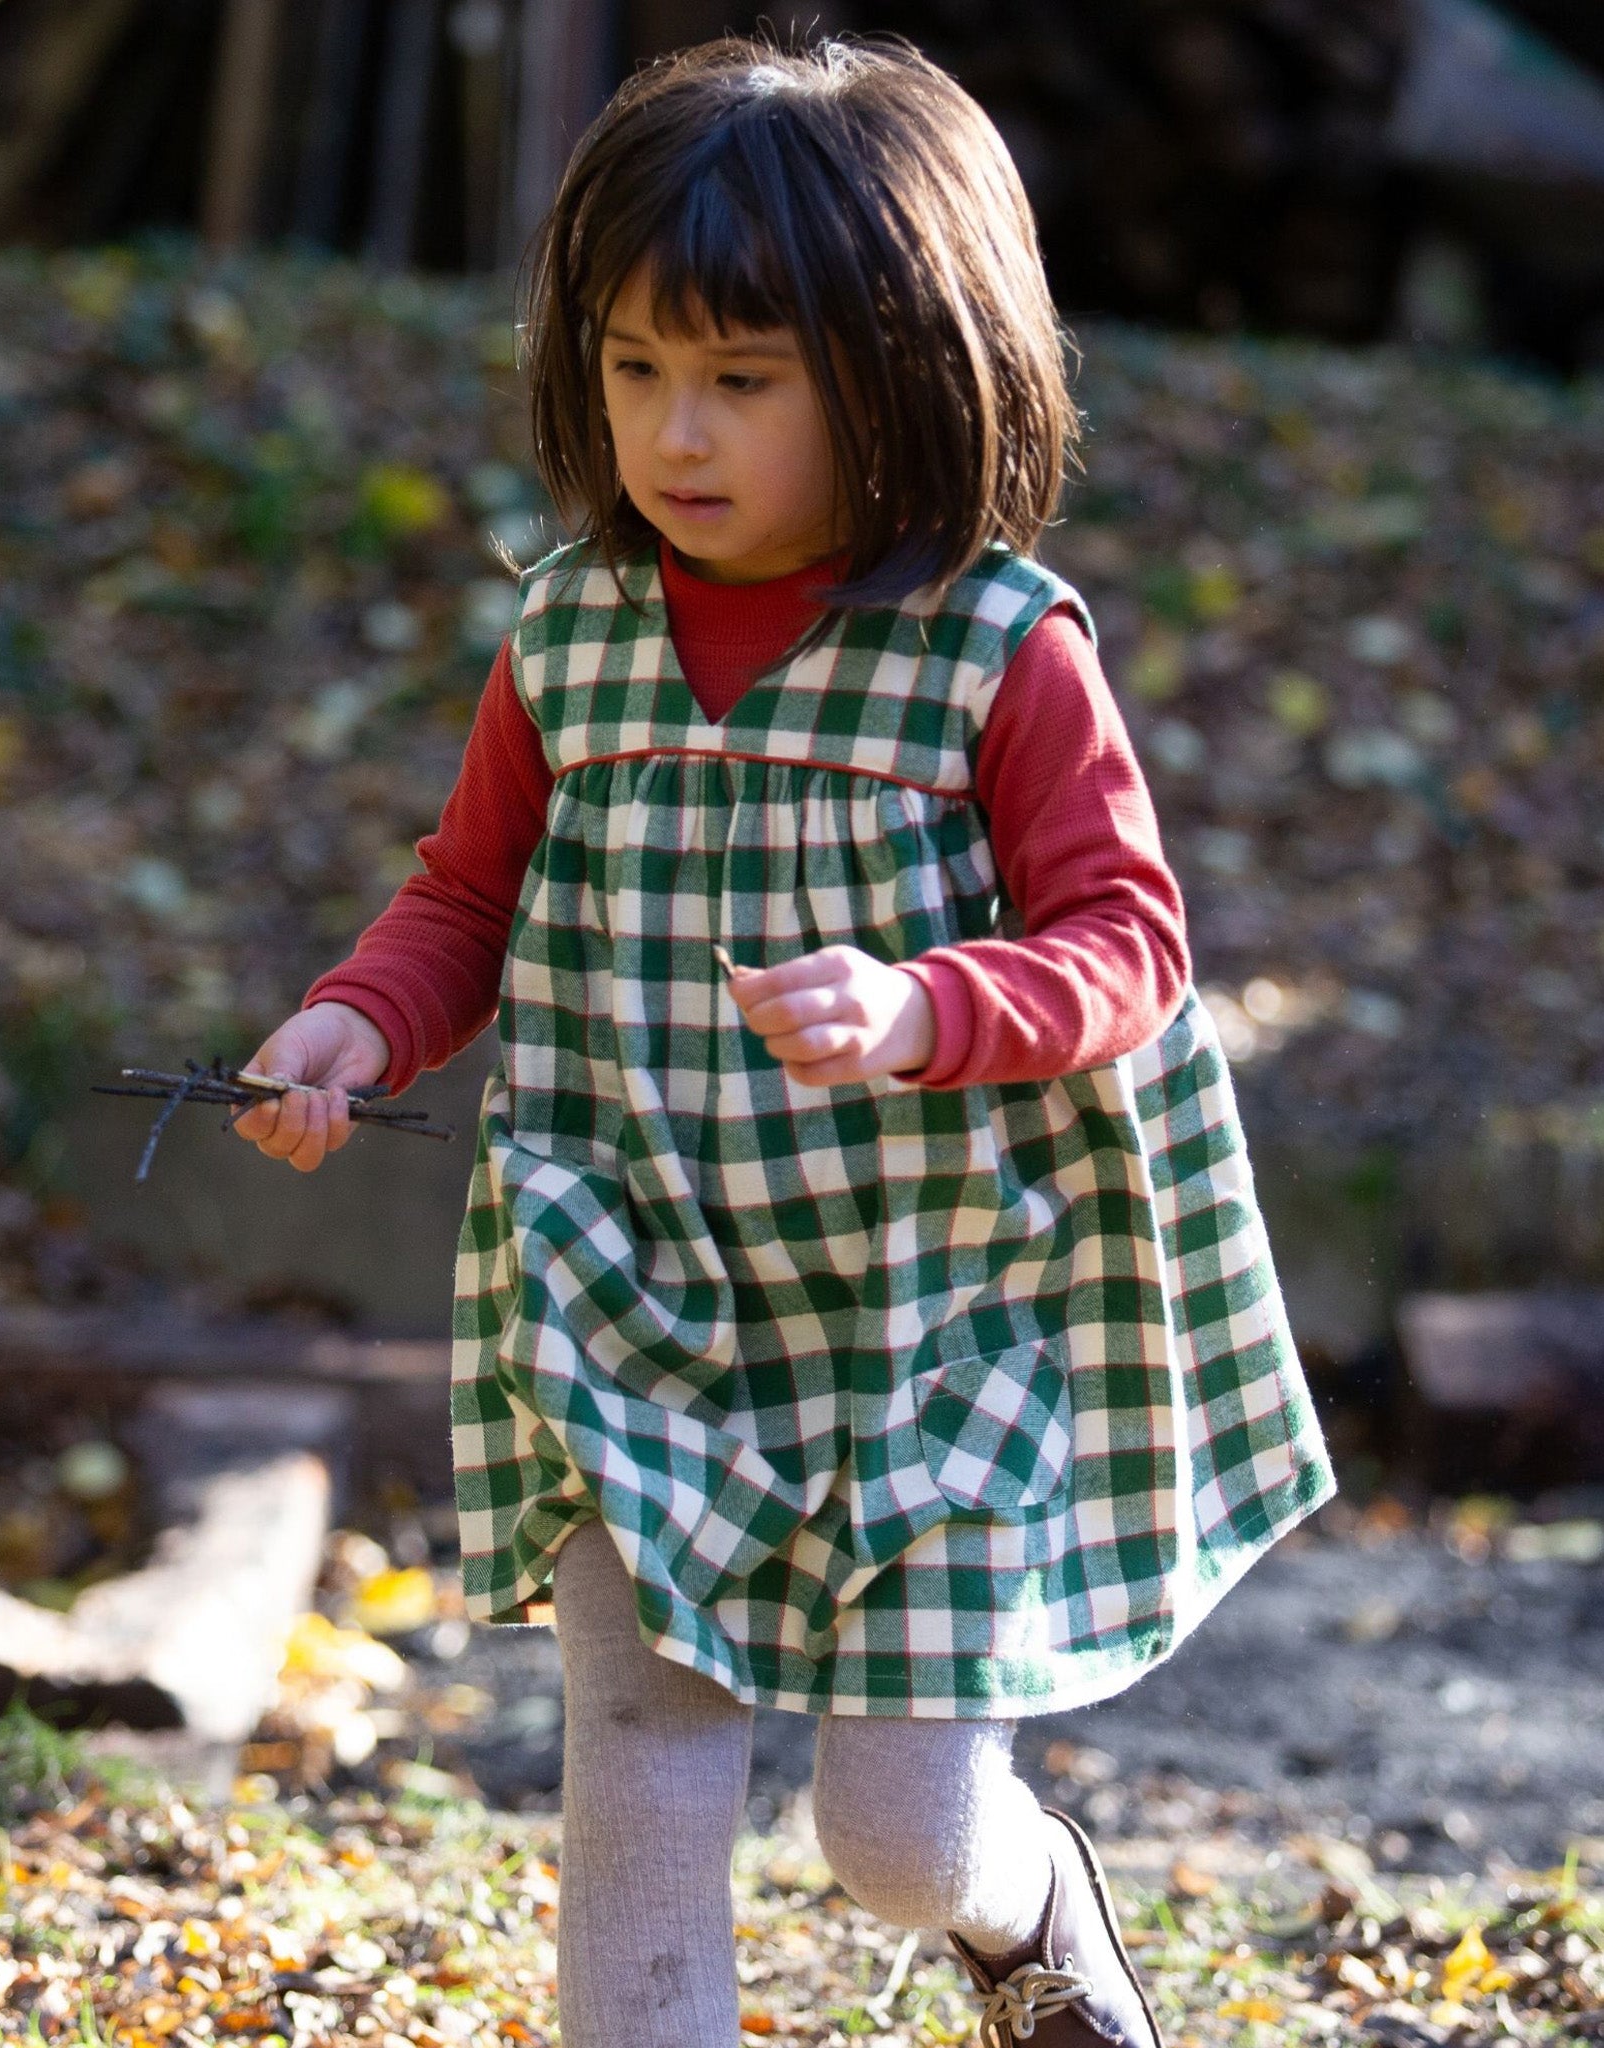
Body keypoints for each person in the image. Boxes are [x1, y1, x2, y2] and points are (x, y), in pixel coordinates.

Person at [233, 34, 1334, 2048]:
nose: (674, 429)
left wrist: (924, 1006)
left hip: (932, 1316)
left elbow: (1129, 945)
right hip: (638, 1283)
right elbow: (464, 897)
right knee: (640, 1754)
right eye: (634, 368)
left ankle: (1027, 1919)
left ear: (908, 370)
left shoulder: (1000, 647)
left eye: (741, 380)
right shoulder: (568, 633)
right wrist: (349, 1027)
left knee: (894, 1832)